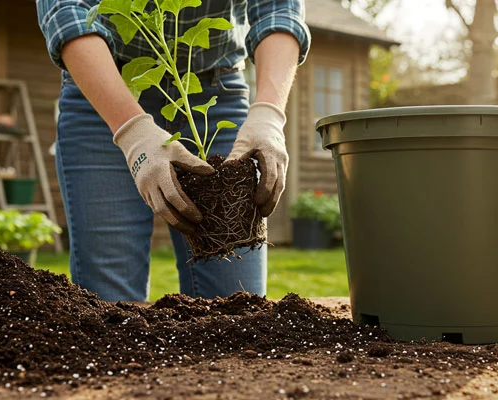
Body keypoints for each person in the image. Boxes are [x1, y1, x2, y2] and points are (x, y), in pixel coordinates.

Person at [35, 0, 311, 302]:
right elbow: (67, 11)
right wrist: (132, 131)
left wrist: (269, 113)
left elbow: (277, 8)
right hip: (104, 88)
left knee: (237, 300)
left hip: (216, 89)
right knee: (110, 302)